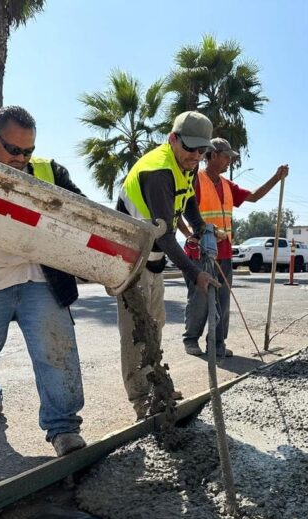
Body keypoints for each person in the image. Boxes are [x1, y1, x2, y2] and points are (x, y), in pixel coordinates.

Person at [0, 106, 86, 457]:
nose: (21, 158)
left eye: (27, 151)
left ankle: (63, 428)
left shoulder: (50, 171)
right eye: (13, 150)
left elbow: (85, 212)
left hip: (40, 280)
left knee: (56, 354)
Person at [115, 111, 218, 419]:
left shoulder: (184, 163)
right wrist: (195, 272)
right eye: (191, 149)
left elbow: (187, 201)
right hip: (129, 261)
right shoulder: (159, 171)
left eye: (202, 151)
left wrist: (203, 229)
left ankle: (157, 386)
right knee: (136, 332)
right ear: (173, 139)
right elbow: (168, 238)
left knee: (155, 327)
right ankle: (141, 399)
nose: (196, 157)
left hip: (152, 259)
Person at [180, 138, 289, 357]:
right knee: (200, 298)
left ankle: (217, 343)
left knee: (222, 300)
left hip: (225, 252)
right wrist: (190, 236)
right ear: (212, 155)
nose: (230, 161)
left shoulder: (227, 186)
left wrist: (276, 178)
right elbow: (179, 211)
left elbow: (254, 197)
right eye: (226, 156)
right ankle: (191, 340)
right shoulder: (196, 181)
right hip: (200, 252)